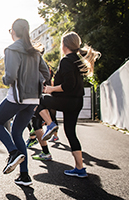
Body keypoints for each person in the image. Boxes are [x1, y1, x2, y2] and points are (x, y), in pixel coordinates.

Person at [0, 18, 50, 186]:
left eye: (10, 31)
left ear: (14, 32)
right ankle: (25, 176)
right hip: (33, 100)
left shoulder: (11, 50)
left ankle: (13, 152)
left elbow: (10, 77)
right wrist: (36, 87)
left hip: (17, 97)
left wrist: (3, 78)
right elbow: (46, 74)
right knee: (17, 133)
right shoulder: (36, 52)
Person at [35, 31, 100, 178]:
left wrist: (51, 89)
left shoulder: (66, 61)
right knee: (70, 132)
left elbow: (69, 85)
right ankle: (80, 168)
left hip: (67, 100)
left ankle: (50, 124)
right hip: (77, 101)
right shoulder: (77, 60)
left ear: (64, 45)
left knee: (38, 100)